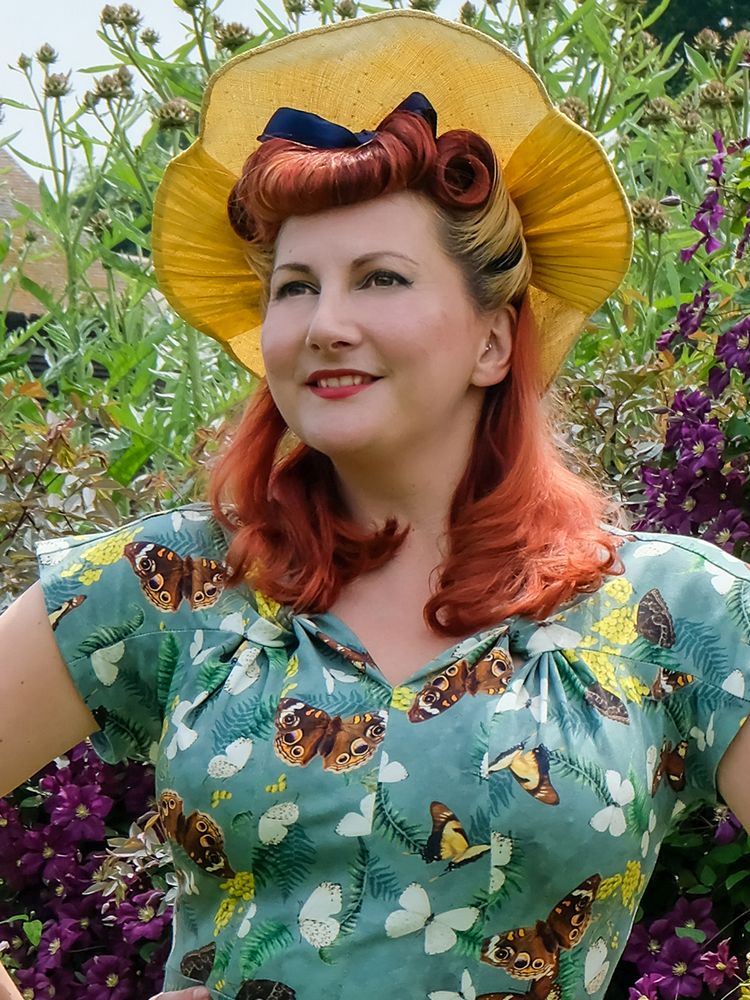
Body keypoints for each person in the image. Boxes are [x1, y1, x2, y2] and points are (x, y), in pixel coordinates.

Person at [2, 10, 750, 1000]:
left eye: (380, 278)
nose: (325, 323)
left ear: (493, 340)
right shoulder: (171, 583)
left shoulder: (676, 611)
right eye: (294, 287)